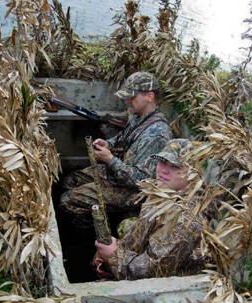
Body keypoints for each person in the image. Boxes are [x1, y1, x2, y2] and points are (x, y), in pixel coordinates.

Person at [60, 71, 174, 228]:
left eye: (132, 96)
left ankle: (90, 233)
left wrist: (110, 160)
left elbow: (142, 182)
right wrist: (109, 144)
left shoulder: (157, 134)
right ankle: (99, 212)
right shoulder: (138, 116)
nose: (127, 100)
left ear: (149, 96)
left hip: (133, 192)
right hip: (118, 173)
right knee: (69, 181)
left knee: (67, 201)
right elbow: (123, 137)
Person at [95, 139, 214, 280]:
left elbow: (150, 273)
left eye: (175, 166)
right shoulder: (164, 190)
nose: (163, 170)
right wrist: (113, 252)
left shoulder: (183, 220)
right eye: (162, 162)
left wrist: (114, 257)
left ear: (194, 175)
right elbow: (138, 236)